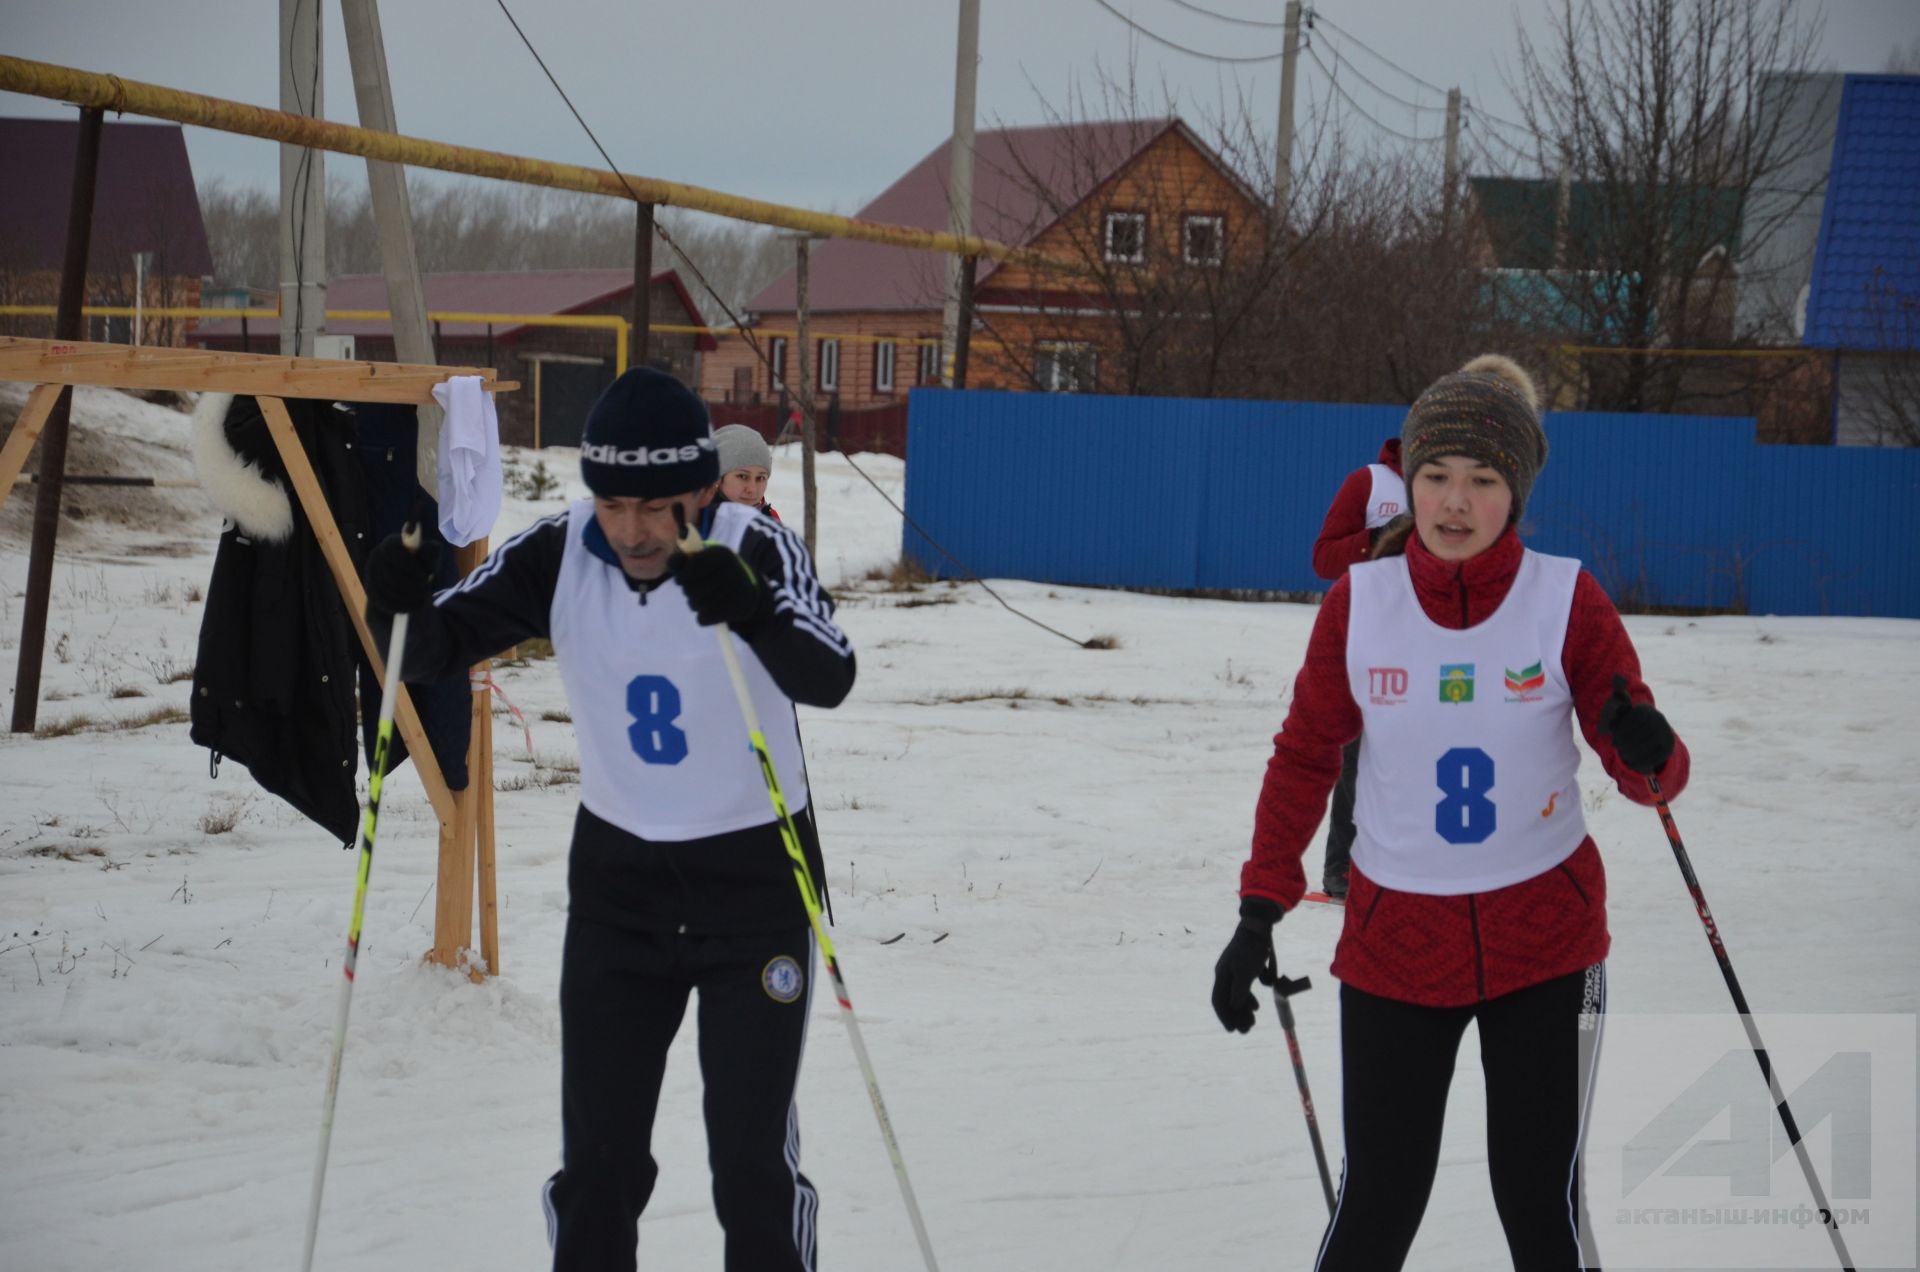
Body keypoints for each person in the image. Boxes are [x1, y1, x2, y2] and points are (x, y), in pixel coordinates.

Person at [362, 368, 855, 1272]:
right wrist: (387, 597)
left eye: (659, 506)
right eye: (612, 502)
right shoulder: (562, 550)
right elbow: (428, 645)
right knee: (598, 1169)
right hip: (619, 897)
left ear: (704, 488)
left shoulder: (757, 544)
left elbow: (831, 675)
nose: (631, 530)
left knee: (749, 1170)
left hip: (754, 895)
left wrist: (751, 608)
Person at [1210, 354, 1687, 1270]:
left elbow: (1649, 772)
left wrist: (1649, 749)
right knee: (1378, 1207)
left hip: (1546, 942)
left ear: (1516, 492)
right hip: (1396, 945)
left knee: (1539, 1205)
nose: (1455, 503)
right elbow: (1305, 753)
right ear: (1409, 482)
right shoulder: (1362, 603)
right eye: (1435, 477)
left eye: (1482, 481)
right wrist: (1260, 905)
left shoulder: (1567, 599)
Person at [1309, 436, 1406, 899]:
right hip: (1367, 630)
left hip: (1433, 634)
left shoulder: (1460, 486)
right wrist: (1378, 537)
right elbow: (1324, 558)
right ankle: (1341, 869)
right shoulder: (1370, 481)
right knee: (1355, 753)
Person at [712, 422, 781, 521]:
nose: (752, 489)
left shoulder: (771, 520)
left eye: (761, 478)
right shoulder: (695, 520)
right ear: (718, 477)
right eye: (742, 476)